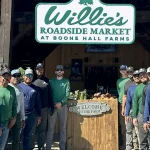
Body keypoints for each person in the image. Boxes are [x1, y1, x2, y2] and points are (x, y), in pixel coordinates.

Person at [47, 65, 70, 150]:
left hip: (63, 107)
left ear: (63, 72)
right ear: (55, 72)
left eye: (61, 70)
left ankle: (62, 147)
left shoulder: (66, 81)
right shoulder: (51, 81)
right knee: (50, 128)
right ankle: (48, 147)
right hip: (53, 107)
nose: (59, 71)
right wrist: (54, 103)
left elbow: (67, 94)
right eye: (58, 70)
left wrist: (61, 103)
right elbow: (49, 94)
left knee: (63, 128)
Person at [31, 63, 53, 149]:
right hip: (34, 109)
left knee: (42, 130)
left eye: (41, 68)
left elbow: (49, 94)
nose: (40, 70)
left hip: (44, 108)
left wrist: (51, 105)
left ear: (43, 69)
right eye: (38, 68)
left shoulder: (47, 80)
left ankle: (41, 147)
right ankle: (31, 146)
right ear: (35, 70)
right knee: (32, 130)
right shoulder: (32, 80)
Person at [19, 68, 41, 150]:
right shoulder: (19, 86)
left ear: (33, 76)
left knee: (27, 136)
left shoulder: (36, 88)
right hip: (20, 115)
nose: (29, 77)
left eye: (31, 75)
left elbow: (38, 102)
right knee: (18, 135)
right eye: (27, 75)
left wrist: (39, 115)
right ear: (24, 76)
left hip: (31, 115)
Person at [0, 67, 17, 150]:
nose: (6, 79)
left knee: (2, 147)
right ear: (0, 77)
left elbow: (14, 105)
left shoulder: (12, 90)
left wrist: (14, 118)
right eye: (4, 77)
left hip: (7, 124)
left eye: (8, 77)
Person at [132, 68, 149, 149]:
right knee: (142, 140)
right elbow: (135, 103)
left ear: (148, 75)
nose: (142, 76)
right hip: (141, 115)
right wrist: (134, 117)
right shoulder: (138, 87)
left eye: (143, 74)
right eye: (140, 75)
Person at [9, 69, 25, 150]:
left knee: (16, 139)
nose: (16, 78)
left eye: (18, 76)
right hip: (7, 116)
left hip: (17, 116)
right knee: (3, 138)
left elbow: (22, 105)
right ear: (10, 77)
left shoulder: (20, 89)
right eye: (14, 76)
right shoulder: (6, 87)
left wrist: (23, 118)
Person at [125, 70, 140, 150]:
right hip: (130, 111)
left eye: (138, 76)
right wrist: (127, 114)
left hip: (139, 112)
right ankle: (128, 147)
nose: (136, 77)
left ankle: (140, 147)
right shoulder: (130, 88)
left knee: (139, 132)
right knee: (129, 131)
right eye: (135, 76)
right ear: (133, 78)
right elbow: (128, 102)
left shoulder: (144, 87)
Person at [116, 65, 129, 150]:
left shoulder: (130, 80)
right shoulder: (118, 81)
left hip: (129, 104)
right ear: (120, 71)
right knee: (122, 125)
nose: (123, 71)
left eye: (124, 69)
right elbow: (119, 92)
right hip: (121, 104)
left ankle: (128, 145)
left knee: (128, 125)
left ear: (127, 70)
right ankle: (124, 145)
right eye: (121, 69)